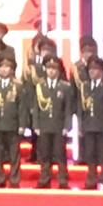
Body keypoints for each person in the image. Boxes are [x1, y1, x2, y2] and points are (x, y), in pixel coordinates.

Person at [30, 54, 75, 188]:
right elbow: (36, 108)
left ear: (59, 70)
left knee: (60, 154)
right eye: (49, 68)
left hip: (59, 126)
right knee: (44, 154)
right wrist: (36, 125)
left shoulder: (65, 87)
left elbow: (68, 108)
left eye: (54, 68)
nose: (51, 71)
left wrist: (67, 126)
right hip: (44, 126)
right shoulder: (40, 86)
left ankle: (62, 180)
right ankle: (44, 179)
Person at [0, 55, 25, 188]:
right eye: (1, 66)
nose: (4, 69)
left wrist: (22, 124)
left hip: (13, 124)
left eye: (7, 67)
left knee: (14, 154)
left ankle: (14, 179)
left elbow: (22, 107)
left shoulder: (18, 86)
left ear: (12, 69)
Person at [79, 57, 103, 189]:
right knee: (90, 154)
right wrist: (81, 125)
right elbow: (81, 108)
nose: (92, 71)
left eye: (95, 69)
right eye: (90, 69)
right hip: (89, 125)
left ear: (101, 71)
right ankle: (91, 180)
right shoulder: (85, 87)